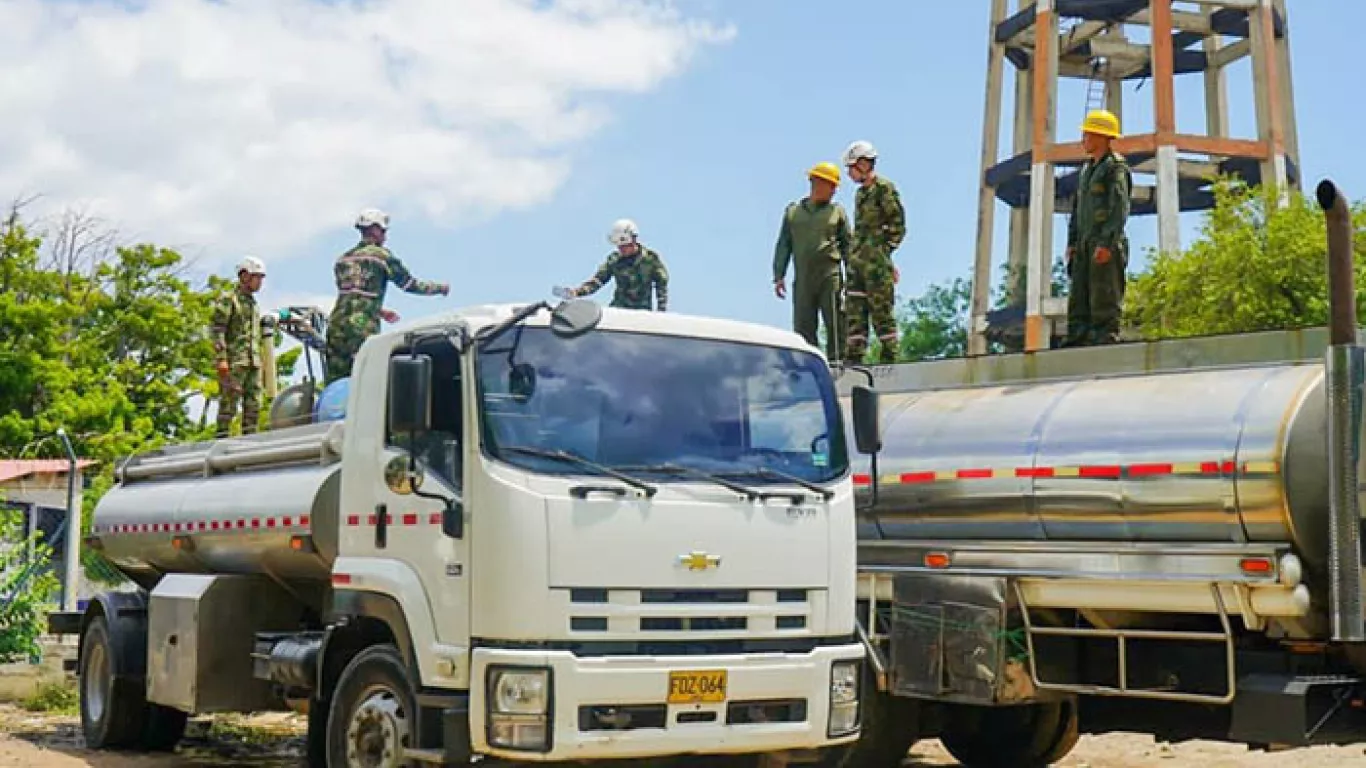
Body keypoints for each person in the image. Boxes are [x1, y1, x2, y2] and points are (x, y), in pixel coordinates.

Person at [324, 208, 449, 383]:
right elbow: (409, 285)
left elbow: (353, 295)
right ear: (374, 229)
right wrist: (439, 288)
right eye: (383, 231)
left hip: (336, 325)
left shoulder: (343, 260)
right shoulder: (382, 257)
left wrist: (381, 311)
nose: (385, 236)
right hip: (361, 328)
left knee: (336, 384)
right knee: (365, 380)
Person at [1064, 109, 1132, 347]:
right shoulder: (1086, 171)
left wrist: (1107, 242)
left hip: (1104, 243)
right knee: (1079, 296)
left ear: (1102, 137)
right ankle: (1077, 337)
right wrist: (1072, 244)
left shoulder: (1115, 168)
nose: (1084, 139)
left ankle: (1105, 337)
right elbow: (1077, 211)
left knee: (1104, 294)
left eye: (1088, 135)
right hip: (1083, 243)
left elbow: (1118, 207)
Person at [772, 162, 851, 361]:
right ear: (816, 182)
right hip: (804, 277)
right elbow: (784, 244)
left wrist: (853, 277)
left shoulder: (837, 212)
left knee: (835, 321)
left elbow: (849, 246)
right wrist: (778, 275)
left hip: (830, 274)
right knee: (803, 324)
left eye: (835, 187)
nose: (833, 191)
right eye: (830, 185)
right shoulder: (793, 212)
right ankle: (808, 364)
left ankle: (838, 361)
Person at [842, 140, 905, 364]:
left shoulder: (884, 188)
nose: (849, 174)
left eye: (851, 168)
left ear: (863, 164)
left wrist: (883, 252)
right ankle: (854, 358)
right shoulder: (860, 195)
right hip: (857, 263)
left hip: (876, 265)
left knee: (881, 312)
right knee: (854, 312)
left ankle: (889, 358)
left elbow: (898, 224)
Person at [211, 256, 266, 437]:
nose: (259, 282)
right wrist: (221, 360)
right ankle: (220, 441)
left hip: (254, 362)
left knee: (254, 406)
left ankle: (250, 443)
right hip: (235, 361)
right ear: (244, 276)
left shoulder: (254, 305)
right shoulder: (229, 300)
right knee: (228, 406)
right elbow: (218, 330)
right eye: (256, 277)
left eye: (261, 278)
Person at [564, 219, 669, 311]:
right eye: (619, 246)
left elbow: (662, 284)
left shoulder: (650, 259)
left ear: (634, 240)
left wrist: (661, 310)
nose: (621, 249)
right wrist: (576, 292)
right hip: (619, 311)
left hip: (641, 314)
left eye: (625, 246)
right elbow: (598, 281)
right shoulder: (614, 260)